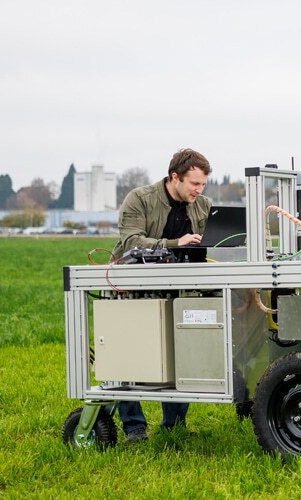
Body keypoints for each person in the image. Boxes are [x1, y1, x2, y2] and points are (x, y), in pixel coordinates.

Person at [111, 148, 212, 442]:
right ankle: (134, 428)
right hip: (132, 286)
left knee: (181, 350)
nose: (199, 190)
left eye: (203, 184)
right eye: (194, 183)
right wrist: (175, 242)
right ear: (174, 177)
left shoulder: (203, 205)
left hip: (178, 287)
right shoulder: (139, 199)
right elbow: (131, 241)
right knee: (127, 353)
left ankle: (174, 426)